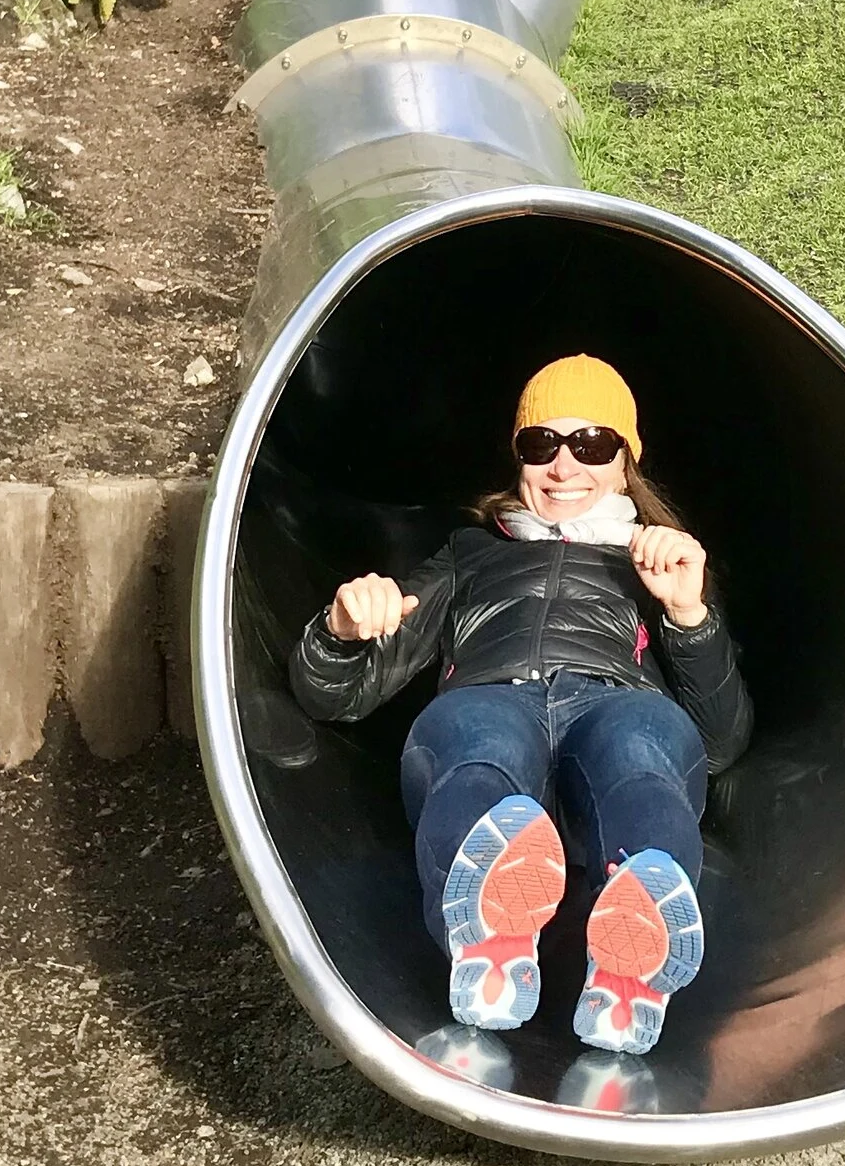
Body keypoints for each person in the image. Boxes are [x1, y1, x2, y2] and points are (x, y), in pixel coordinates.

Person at [285, 356, 751, 1059]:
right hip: (491, 693)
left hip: (619, 700)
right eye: (541, 444)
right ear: (519, 458)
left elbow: (720, 742)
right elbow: (334, 694)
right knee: (479, 744)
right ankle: (488, 938)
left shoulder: (659, 566)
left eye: (591, 444)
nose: (564, 465)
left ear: (626, 462)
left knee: (638, 753)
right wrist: (340, 631)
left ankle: (634, 949)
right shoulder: (471, 553)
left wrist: (689, 614)